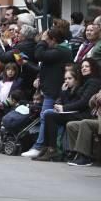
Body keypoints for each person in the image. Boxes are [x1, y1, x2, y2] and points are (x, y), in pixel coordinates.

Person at [21, 27, 74, 158]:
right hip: (50, 88)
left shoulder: (61, 50)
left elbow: (39, 55)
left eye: (47, 39)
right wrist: (39, 77)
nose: (44, 41)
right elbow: (46, 65)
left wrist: (42, 41)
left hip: (54, 90)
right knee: (48, 118)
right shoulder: (56, 50)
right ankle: (46, 146)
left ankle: (39, 146)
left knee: (46, 117)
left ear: (53, 40)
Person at [32, 60, 101, 161]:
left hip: (85, 114)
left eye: (87, 66)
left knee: (50, 115)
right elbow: (71, 100)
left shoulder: (94, 81)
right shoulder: (84, 81)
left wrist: (64, 108)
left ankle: (52, 149)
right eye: (82, 67)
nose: (84, 68)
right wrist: (64, 93)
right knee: (49, 115)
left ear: (93, 67)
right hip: (77, 112)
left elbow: (84, 102)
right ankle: (47, 148)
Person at [0, 23, 39, 97]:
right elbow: (14, 56)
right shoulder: (33, 44)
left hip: (23, 81)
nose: (17, 34)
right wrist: (7, 47)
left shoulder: (21, 46)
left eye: (19, 33)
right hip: (32, 79)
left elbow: (4, 57)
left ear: (25, 36)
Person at [65, 92, 100, 166]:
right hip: (97, 119)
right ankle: (77, 153)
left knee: (85, 123)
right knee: (71, 125)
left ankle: (84, 157)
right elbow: (91, 104)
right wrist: (95, 97)